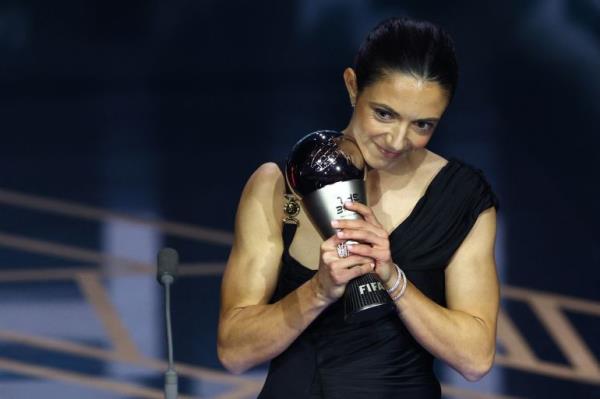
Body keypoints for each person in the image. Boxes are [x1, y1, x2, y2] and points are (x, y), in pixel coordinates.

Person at [217, 16, 499, 398]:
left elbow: (475, 359)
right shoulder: (277, 189)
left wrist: (392, 278)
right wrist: (319, 290)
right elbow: (233, 351)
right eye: (384, 113)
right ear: (353, 86)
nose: (397, 140)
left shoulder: (463, 199)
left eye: (422, 125)